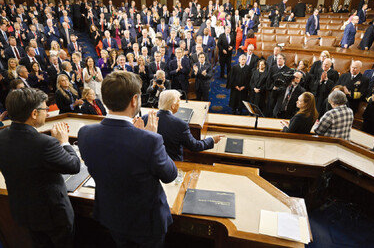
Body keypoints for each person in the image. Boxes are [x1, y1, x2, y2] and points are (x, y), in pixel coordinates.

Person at [78, 71, 177, 247]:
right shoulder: (149, 140)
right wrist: (150, 136)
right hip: (147, 224)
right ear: (134, 100)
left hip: (111, 216)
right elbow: (170, 175)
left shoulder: (85, 133)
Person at [0, 88, 80, 248]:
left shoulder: (2, 137)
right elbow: (74, 165)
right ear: (34, 114)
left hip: (24, 212)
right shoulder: (45, 143)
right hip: (53, 216)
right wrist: (64, 142)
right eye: (45, 109)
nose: (48, 113)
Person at [144, 89, 223, 161]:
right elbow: (195, 146)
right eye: (178, 102)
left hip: (150, 160)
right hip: (172, 163)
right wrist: (212, 140)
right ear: (173, 106)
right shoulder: (180, 125)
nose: (180, 104)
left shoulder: (145, 118)